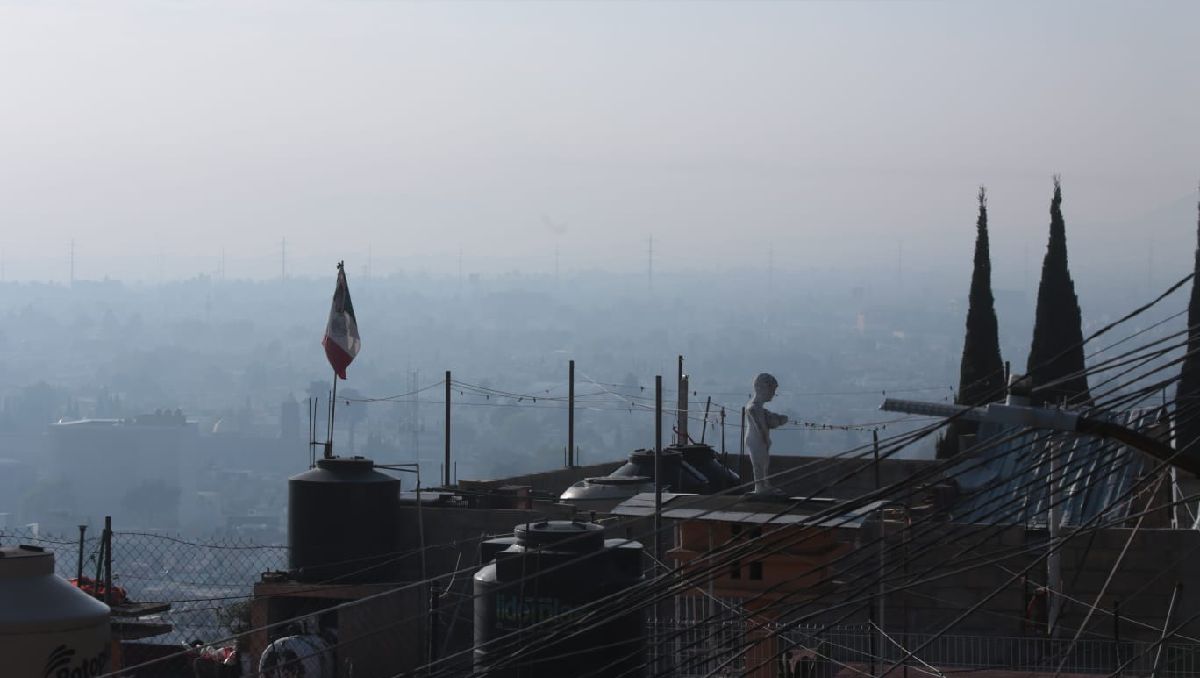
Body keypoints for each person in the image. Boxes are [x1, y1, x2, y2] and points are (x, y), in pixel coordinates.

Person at [745, 373, 788, 495]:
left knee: (764, 462)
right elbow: (760, 426)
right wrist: (765, 439)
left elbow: (767, 421)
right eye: (772, 390)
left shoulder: (759, 408)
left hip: (758, 440)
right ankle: (760, 487)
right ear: (763, 389)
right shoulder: (753, 407)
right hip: (755, 440)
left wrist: (778, 419)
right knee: (759, 463)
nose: (773, 394)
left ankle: (765, 484)